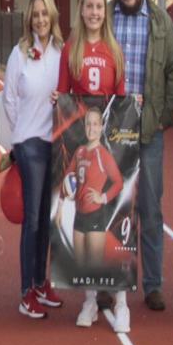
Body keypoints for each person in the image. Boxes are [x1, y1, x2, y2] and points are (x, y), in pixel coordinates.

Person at [105, 0, 173, 312]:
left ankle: (152, 284)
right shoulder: (105, 18)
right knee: (113, 208)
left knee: (150, 210)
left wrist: (164, 116)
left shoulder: (159, 22)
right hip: (112, 133)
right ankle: (110, 278)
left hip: (148, 133)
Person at [53, 0, 130, 333]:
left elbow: (121, 102)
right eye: (89, 7)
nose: (94, 13)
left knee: (110, 234)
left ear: (105, 11)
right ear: (81, 10)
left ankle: (120, 301)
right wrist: (59, 103)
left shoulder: (114, 49)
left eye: (100, 7)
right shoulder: (72, 48)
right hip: (81, 144)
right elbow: (66, 98)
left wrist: (134, 107)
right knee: (84, 238)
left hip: (107, 144)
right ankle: (89, 301)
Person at [2, 0, 64, 320]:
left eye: (45, 13)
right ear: (29, 18)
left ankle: (41, 281)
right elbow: (9, 99)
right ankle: (26, 291)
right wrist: (22, 131)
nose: (40, 19)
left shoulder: (60, 50)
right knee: (34, 219)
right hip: (29, 144)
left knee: (47, 218)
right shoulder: (18, 53)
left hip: (54, 143)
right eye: (35, 14)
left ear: (52, 15)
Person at [60, 108, 123, 270]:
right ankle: (89, 297)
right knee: (80, 266)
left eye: (95, 124)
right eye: (88, 124)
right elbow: (67, 178)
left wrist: (102, 198)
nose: (91, 128)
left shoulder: (103, 155)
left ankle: (108, 295)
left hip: (95, 216)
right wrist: (60, 207)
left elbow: (118, 182)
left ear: (101, 127)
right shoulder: (80, 152)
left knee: (94, 267)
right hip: (78, 216)